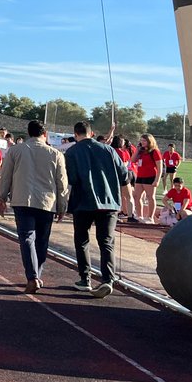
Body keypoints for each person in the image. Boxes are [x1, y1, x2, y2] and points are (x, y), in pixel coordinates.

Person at [0, 120, 69, 294]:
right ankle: (37, 275)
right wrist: (62, 206)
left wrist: (1, 198)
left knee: (27, 238)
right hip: (47, 202)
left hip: (23, 200)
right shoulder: (56, 154)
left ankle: (32, 276)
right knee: (42, 241)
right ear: (45, 135)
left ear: (29, 133)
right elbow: (62, 183)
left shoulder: (15, 151)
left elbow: (5, 175)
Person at [64, 120, 130, 298]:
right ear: (91, 133)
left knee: (82, 240)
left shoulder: (71, 152)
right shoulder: (108, 150)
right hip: (108, 202)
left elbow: (71, 179)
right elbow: (125, 175)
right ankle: (108, 279)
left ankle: (85, 279)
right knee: (106, 242)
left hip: (83, 202)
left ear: (76, 134)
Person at [130, 134, 163, 223]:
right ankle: (139, 215)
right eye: (141, 140)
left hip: (150, 176)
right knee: (137, 196)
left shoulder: (154, 152)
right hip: (140, 176)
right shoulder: (141, 151)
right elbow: (132, 160)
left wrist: (157, 180)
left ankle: (150, 217)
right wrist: (137, 150)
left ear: (149, 141)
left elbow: (160, 167)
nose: (142, 142)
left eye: (144, 141)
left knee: (150, 197)